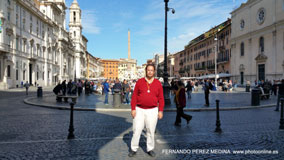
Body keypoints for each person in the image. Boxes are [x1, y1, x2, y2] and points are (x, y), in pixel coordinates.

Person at [128, 64, 164, 158]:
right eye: (148, 70)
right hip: (139, 109)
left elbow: (161, 98)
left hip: (153, 110)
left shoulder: (158, 83)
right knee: (136, 130)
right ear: (146, 70)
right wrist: (133, 109)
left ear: (154, 71)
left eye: (152, 70)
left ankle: (150, 149)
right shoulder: (140, 82)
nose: (150, 72)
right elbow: (134, 96)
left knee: (150, 131)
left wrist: (160, 110)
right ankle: (133, 148)